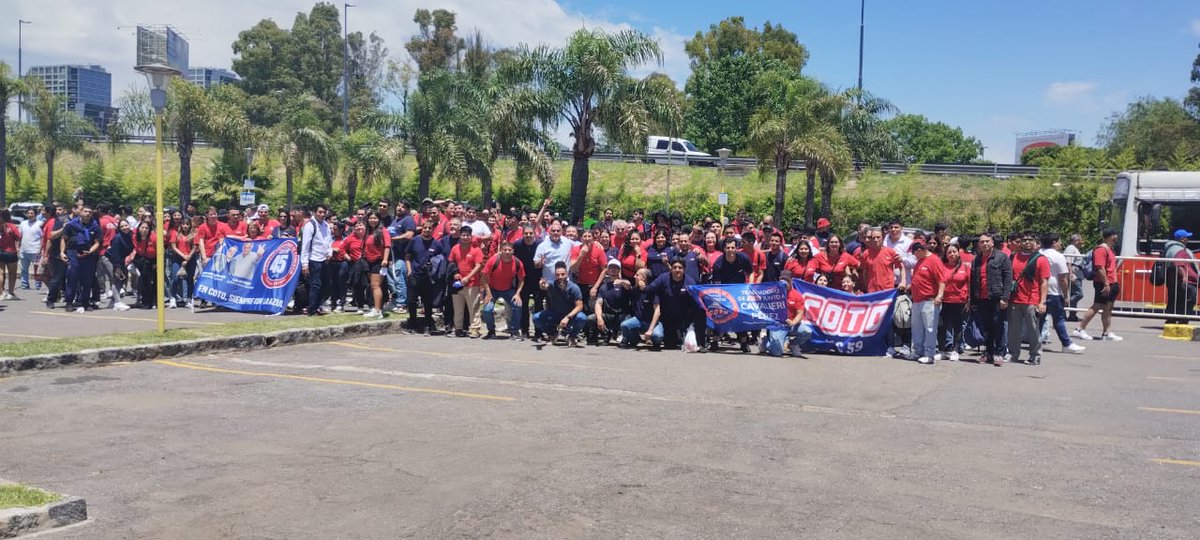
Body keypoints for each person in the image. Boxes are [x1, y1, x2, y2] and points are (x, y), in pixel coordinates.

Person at [1007, 231, 1051, 365]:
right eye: (1024, 240)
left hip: (1032, 300)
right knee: (1013, 330)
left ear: (1035, 242)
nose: (1027, 242)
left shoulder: (1041, 259)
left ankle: (1035, 355)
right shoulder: (1014, 257)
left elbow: (1044, 282)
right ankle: (1013, 354)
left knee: (1033, 329)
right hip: (1015, 299)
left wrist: (1042, 302)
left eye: (1030, 240)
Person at [970, 233, 1013, 365]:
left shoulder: (1002, 257)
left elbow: (1008, 278)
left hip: (997, 297)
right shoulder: (976, 260)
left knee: (998, 326)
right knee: (986, 327)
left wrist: (1005, 297)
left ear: (992, 243)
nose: (984, 244)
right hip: (982, 298)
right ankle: (988, 352)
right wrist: (973, 301)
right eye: (982, 242)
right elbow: (973, 281)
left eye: (987, 241)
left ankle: (999, 353)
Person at [644, 257, 704, 350]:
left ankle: (701, 342)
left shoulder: (690, 281)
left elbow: (696, 303)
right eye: (674, 267)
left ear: (684, 269)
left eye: (680, 268)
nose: (677, 270)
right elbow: (650, 289)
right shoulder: (663, 278)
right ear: (670, 268)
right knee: (667, 343)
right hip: (666, 317)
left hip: (683, 318)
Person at [1073, 229, 1123, 341]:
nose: (1116, 237)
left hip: (1111, 282)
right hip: (1103, 283)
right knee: (1097, 306)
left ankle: (1106, 332)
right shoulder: (1101, 250)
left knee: (1108, 308)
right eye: (1115, 235)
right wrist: (1106, 283)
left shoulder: (1110, 249)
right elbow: (1099, 268)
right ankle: (1079, 329)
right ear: (1110, 236)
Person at [1039, 234, 1086, 353]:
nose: (1061, 244)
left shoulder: (1038, 254)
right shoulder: (1058, 256)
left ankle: (1036, 342)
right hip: (1053, 292)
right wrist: (1066, 295)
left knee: (1039, 319)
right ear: (1054, 242)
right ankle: (1066, 344)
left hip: (1038, 291)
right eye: (1059, 242)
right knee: (1058, 319)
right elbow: (1063, 279)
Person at [709, 238, 754, 353]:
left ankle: (744, 342)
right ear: (724, 249)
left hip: (739, 292)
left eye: (732, 247)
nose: (730, 250)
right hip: (724, 292)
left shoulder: (743, 258)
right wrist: (722, 299)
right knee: (720, 315)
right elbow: (717, 284)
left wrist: (750, 287)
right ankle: (715, 341)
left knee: (740, 317)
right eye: (728, 248)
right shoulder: (718, 264)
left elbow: (751, 272)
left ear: (736, 248)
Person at [533, 261, 587, 347]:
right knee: (536, 318)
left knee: (582, 318)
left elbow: (580, 306)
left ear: (567, 274)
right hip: (555, 314)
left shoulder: (574, 288)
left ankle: (572, 336)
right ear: (555, 275)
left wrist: (567, 317)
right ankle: (553, 334)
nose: (560, 277)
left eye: (562, 274)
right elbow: (545, 286)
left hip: (570, 316)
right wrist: (542, 285)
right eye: (558, 275)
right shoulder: (552, 284)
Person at [762, 270, 814, 357]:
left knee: (807, 331)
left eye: (787, 280)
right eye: (782, 280)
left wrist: (793, 322)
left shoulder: (797, 295)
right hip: (777, 326)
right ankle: (765, 341)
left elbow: (800, 313)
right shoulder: (773, 293)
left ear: (791, 281)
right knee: (777, 352)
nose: (784, 283)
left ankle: (792, 344)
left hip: (791, 324)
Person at [909, 241, 946, 364]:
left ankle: (929, 354)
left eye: (914, 253)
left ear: (919, 250)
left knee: (930, 328)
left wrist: (939, 295)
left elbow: (941, 280)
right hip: (917, 300)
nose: (914, 256)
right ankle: (918, 351)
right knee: (917, 328)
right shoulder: (919, 261)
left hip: (929, 300)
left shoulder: (934, 260)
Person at [481, 240, 526, 340]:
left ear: (513, 251)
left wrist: (518, 294)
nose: (507, 252)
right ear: (500, 251)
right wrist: (488, 294)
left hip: (508, 289)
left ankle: (514, 331)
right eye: (505, 250)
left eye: (509, 250)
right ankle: (491, 331)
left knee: (518, 305)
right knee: (487, 309)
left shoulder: (518, 263)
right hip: (492, 289)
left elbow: (521, 280)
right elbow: (484, 277)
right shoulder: (493, 261)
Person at [405, 221, 444, 334]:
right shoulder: (414, 240)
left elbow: (440, 259)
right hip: (415, 275)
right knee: (412, 301)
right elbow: (407, 257)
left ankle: (428, 325)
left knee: (427, 302)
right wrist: (409, 270)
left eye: (429, 228)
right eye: (425, 227)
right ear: (422, 228)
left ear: (433, 230)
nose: (427, 230)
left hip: (428, 277)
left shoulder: (436, 244)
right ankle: (412, 325)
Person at [448, 225, 485, 337]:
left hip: (472, 284)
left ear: (471, 236)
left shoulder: (476, 250)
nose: (465, 237)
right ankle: (458, 328)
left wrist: (468, 277)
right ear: (460, 235)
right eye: (463, 235)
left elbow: (478, 266)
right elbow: (451, 262)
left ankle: (474, 329)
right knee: (458, 308)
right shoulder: (455, 248)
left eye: (468, 235)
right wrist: (456, 273)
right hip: (458, 284)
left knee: (473, 308)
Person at [300, 204, 334, 316]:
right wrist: (304, 263)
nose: (322, 214)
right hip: (314, 259)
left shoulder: (326, 225)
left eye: (324, 212)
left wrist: (330, 252)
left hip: (325, 259)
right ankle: (311, 308)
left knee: (325, 285)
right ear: (315, 212)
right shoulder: (310, 225)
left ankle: (318, 305)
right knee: (315, 285)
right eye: (320, 212)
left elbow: (329, 241)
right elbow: (305, 245)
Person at [589, 259, 634, 345]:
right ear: (608, 270)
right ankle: (604, 334)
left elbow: (628, 285)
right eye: (611, 267)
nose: (613, 269)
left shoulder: (624, 283)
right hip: (609, 315)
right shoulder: (604, 287)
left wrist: (620, 281)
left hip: (623, 315)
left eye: (616, 267)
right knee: (591, 318)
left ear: (619, 270)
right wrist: (599, 318)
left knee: (627, 320)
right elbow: (598, 303)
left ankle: (624, 336)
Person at [938, 243, 970, 361]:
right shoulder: (941, 266)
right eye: (949, 252)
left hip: (960, 302)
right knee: (942, 326)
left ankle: (955, 350)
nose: (952, 254)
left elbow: (970, 284)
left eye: (954, 252)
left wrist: (969, 300)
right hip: (944, 301)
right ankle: (942, 350)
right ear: (946, 255)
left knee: (957, 327)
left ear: (958, 253)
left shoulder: (965, 267)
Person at [620, 267, 664, 349]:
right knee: (624, 325)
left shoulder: (652, 291)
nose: (634, 277)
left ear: (643, 278)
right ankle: (635, 340)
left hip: (652, 322)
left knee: (657, 336)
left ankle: (655, 342)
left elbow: (657, 311)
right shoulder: (635, 290)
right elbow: (628, 287)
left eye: (637, 275)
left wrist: (650, 330)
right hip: (639, 320)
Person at [1162, 229, 1198, 325]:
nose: (1188, 239)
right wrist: (1185, 277)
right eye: (1187, 237)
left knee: (1174, 299)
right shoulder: (1179, 250)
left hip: (1173, 279)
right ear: (1182, 239)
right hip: (1185, 280)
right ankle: (1183, 320)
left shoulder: (1170, 248)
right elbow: (1179, 264)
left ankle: (1171, 319)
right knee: (1190, 299)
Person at [360, 212, 391, 319]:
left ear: (379, 219)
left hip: (379, 261)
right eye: (371, 218)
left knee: (376, 286)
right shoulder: (368, 231)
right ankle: (375, 307)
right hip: (368, 261)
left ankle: (378, 310)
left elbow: (387, 246)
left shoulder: (383, 231)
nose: (372, 220)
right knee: (373, 286)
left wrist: (386, 259)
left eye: (375, 218)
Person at [41, 204, 70, 308]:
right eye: (57, 209)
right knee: (56, 278)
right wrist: (45, 254)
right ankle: (51, 299)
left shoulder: (68, 221)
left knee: (69, 278)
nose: (58, 211)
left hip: (69, 253)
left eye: (60, 209)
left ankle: (69, 299)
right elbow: (50, 237)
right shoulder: (55, 222)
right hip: (56, 254)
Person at [168, 219, 196, 309]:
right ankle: (172, 298)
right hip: (178, 258)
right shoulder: (176, 234)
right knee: (175, 278)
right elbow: (173, 246)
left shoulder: (194, 234)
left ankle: (188, 299)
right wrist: (183, 255)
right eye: (183, 224)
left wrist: (188, 256)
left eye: (187, 224)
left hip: (190, 258)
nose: (185, 226)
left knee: (189, 279)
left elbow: (195, 246)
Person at [130, 220, 157, 309]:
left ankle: (153, 301)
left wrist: (156, 262)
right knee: (143, 281)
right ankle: (145, 301)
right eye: (142, 227)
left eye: (146, 228)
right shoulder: (134, 237)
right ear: (139, 229)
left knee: (153, 281)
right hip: (141, 260)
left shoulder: (153, 237)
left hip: (153, 260)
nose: (144, 230)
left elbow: (159, 250)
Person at [18, 208, 43, 292]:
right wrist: (18, 247)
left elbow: (42, 238)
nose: (30, 215)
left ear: (35, 214)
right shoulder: (23, 223)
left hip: (35, 250)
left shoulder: (40, 224)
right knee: (24, 269)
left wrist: (41, 249)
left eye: (32, 213)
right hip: (24, 250)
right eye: (28, 213)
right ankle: (24, 284)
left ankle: (38, 285)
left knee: (37, 269)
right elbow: (19, 237)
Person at [1063, 233, 1085, 321]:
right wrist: (1071, 275)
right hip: (1073, 274)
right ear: (1075, 241)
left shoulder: (1074, 249)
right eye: (1080, 240)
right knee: (1078, 294)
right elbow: (1068, 262)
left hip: (1077, 273)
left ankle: (1072, 315)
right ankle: (1064, 304)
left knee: (1074, 293)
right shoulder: (1071, 249)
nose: (1081, 242)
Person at [0, 210, 19, 300]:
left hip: (1, 251)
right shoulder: (11, 226)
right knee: (12, 274)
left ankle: (1, 292)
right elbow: (18, 237)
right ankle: (10, 292)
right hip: (11, 252)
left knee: (1, 273)